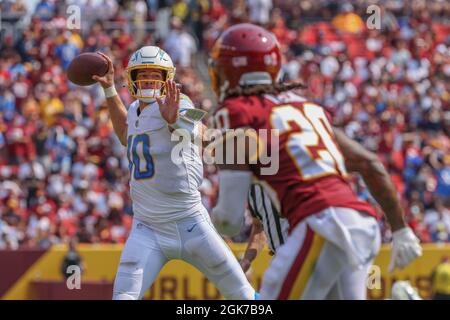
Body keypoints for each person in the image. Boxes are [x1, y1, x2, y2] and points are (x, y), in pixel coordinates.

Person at [208, 23, 422, 300]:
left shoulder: (237, 111)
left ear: (232, 70)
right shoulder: (307, 107)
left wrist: (205, 220)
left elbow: (228, 221)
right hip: (360, 222)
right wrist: (401, 230)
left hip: (322, 224)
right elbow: (369, 163)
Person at [92, 46, 256, 300]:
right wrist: (110, 90)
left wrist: (173, 121)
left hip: (189, 222)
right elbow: (125, 133)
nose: (148, 80)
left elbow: (199, 131)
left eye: (154, 75)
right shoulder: (135, 109)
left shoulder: (179, 103)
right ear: (132, 79)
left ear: (167, 78)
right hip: (146, 226)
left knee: (242, 296)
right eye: (142, 75)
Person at [240, 183, 289, 273]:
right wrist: (246, 260)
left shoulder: (290, 178)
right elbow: (259, 227)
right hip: (278, 259)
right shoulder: (253, 191)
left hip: (305, 255)